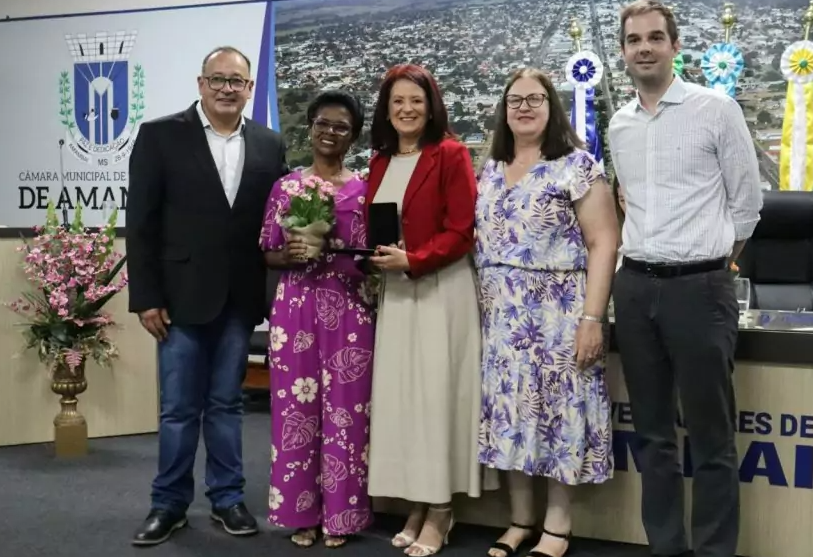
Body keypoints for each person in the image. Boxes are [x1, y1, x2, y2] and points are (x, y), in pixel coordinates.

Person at [608, 3, 762, 557]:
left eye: (654, 37)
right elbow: (629, 205)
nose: (643, 48)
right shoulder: (619, 124)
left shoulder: (715, 109)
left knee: (712, 438)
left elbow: (747, 207)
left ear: (675, 46)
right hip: (635, 286)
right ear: (623, 52)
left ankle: (716, 551)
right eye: (633, 40)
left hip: (700, 288)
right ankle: (666, 548)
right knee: (652, 436)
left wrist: (708, 263)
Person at [126, 46, 288, 546]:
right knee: (177, 409)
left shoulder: (269, 144)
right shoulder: (159, 135)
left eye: (235, 81)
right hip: (176, 300)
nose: (225, 88)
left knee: (226, 405)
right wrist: (146, 296)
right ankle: (168, 504)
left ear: (249, 89)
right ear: (200, 84)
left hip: (238, 301)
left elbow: (269, 226)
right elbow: (141, 223)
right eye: (217, 79)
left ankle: (227, 498)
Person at [475, 68, 618, 557]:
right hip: (501, 315)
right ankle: (520, 520)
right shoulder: (491, 167)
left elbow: (603, 243)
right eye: (515, 100)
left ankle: (557, 526)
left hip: (559, 312)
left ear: (551, 106)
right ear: (504, 110)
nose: (524, 108)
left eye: (535, 99)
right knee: (512, 415)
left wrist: (592, 318)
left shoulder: (577, 166)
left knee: (559, 415)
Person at [365, 63, 482, 557]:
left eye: (416, 100)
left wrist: (414, 259)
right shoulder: (379, 161)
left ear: (431, 105)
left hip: (440, 290)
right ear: (386, 111)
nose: (408, 109)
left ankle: (440, 509)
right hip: (397, 292)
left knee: (437, 399)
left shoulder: (451, 154)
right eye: (398, 102)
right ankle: (416, 499)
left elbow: (462, 230)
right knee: (405, 400)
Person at [261, 90, 375, 549]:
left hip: (348, 308)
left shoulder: (364, 190)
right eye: (323, 124)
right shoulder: (285, 187)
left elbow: (369, 256)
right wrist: (288, 253)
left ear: (353, 137)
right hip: (295, 310)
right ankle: (300, 512)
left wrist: (335, 250)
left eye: (341, 127)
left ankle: (343, 516)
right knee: (295, 411)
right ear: (310, 127)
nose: (330, 133)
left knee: (348, 416)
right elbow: (267, 251)